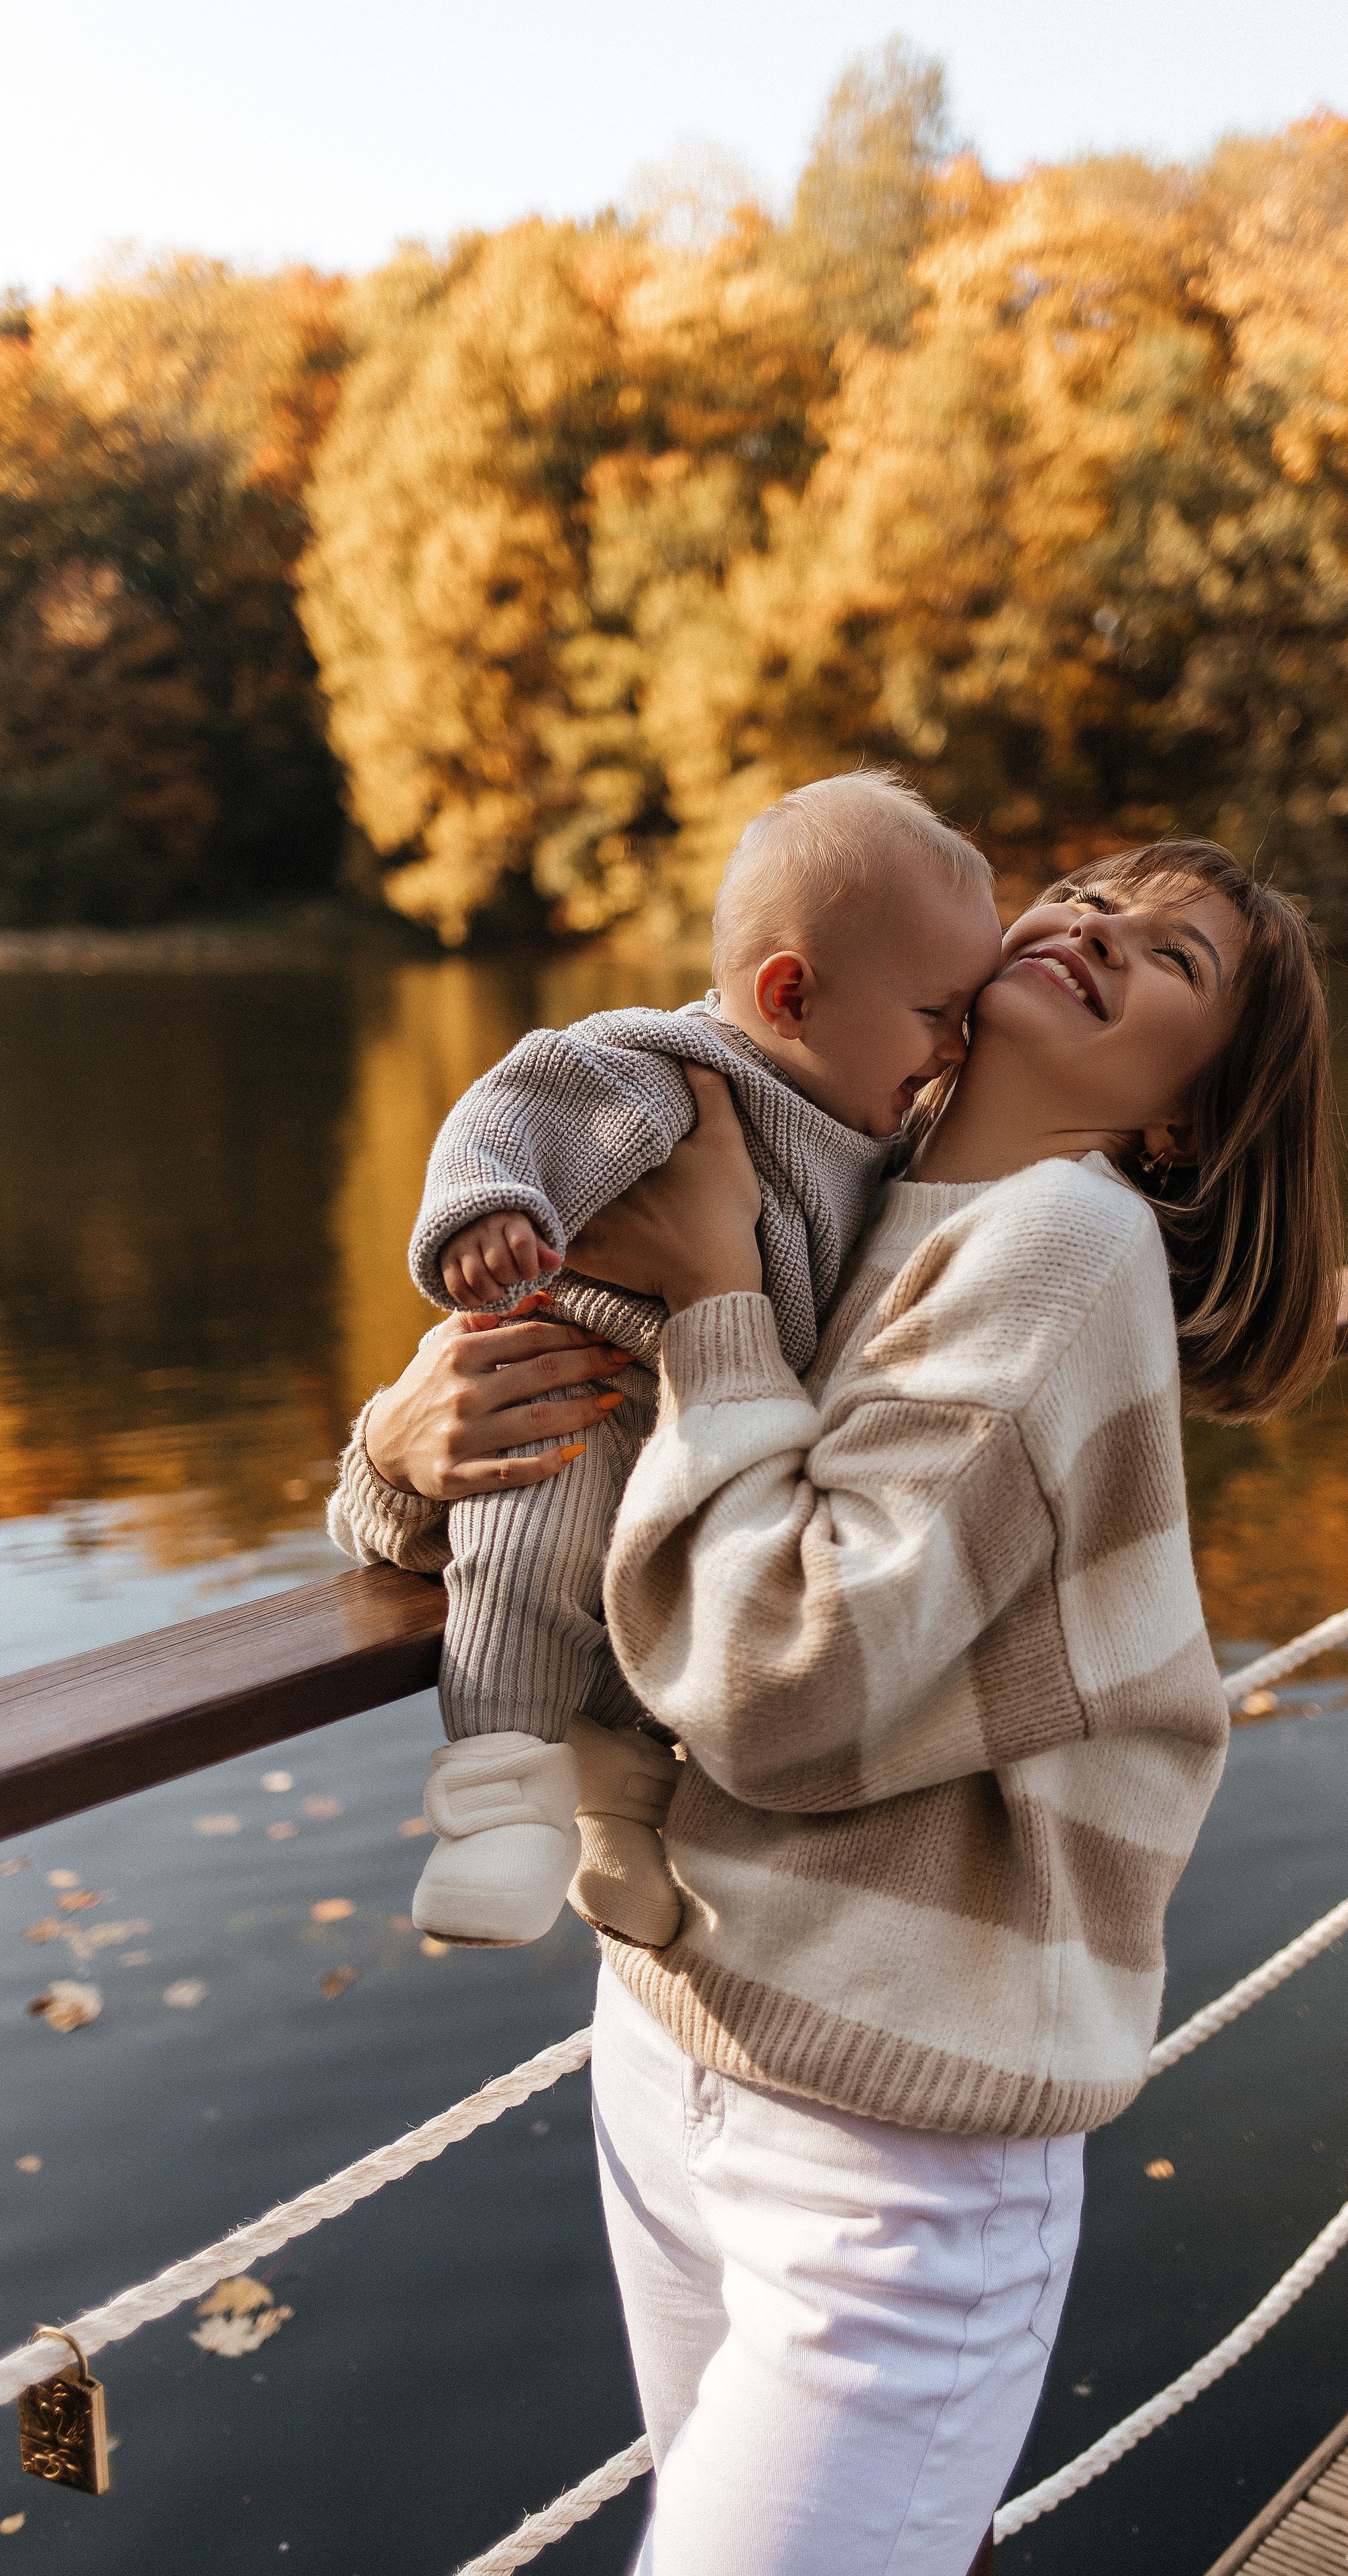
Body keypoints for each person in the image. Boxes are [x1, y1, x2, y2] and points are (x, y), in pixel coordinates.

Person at [331, 839, 1343, 2575]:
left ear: (1183, 1116)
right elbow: (575, 1492)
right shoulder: (840, 1183)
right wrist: (399, 1447)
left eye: (1173, 957)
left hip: (893, 2148)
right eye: (1093, 895)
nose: (1100, 930)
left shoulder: (1060, 1248)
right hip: (674, 2035)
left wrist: (712, 1284)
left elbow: (782, 1680)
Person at [332, 771, 1001, 1951]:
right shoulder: (676, 1078)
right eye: (939, 1014)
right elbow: (511, 1108)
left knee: (654, 1635)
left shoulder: (882, 1133)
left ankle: (617, 1819)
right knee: (529, 1572)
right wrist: (490, 1212)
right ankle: (495, 1811)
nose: (955, 1050)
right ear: (790, 993)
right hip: (578, 1389)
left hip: (709, 1438)